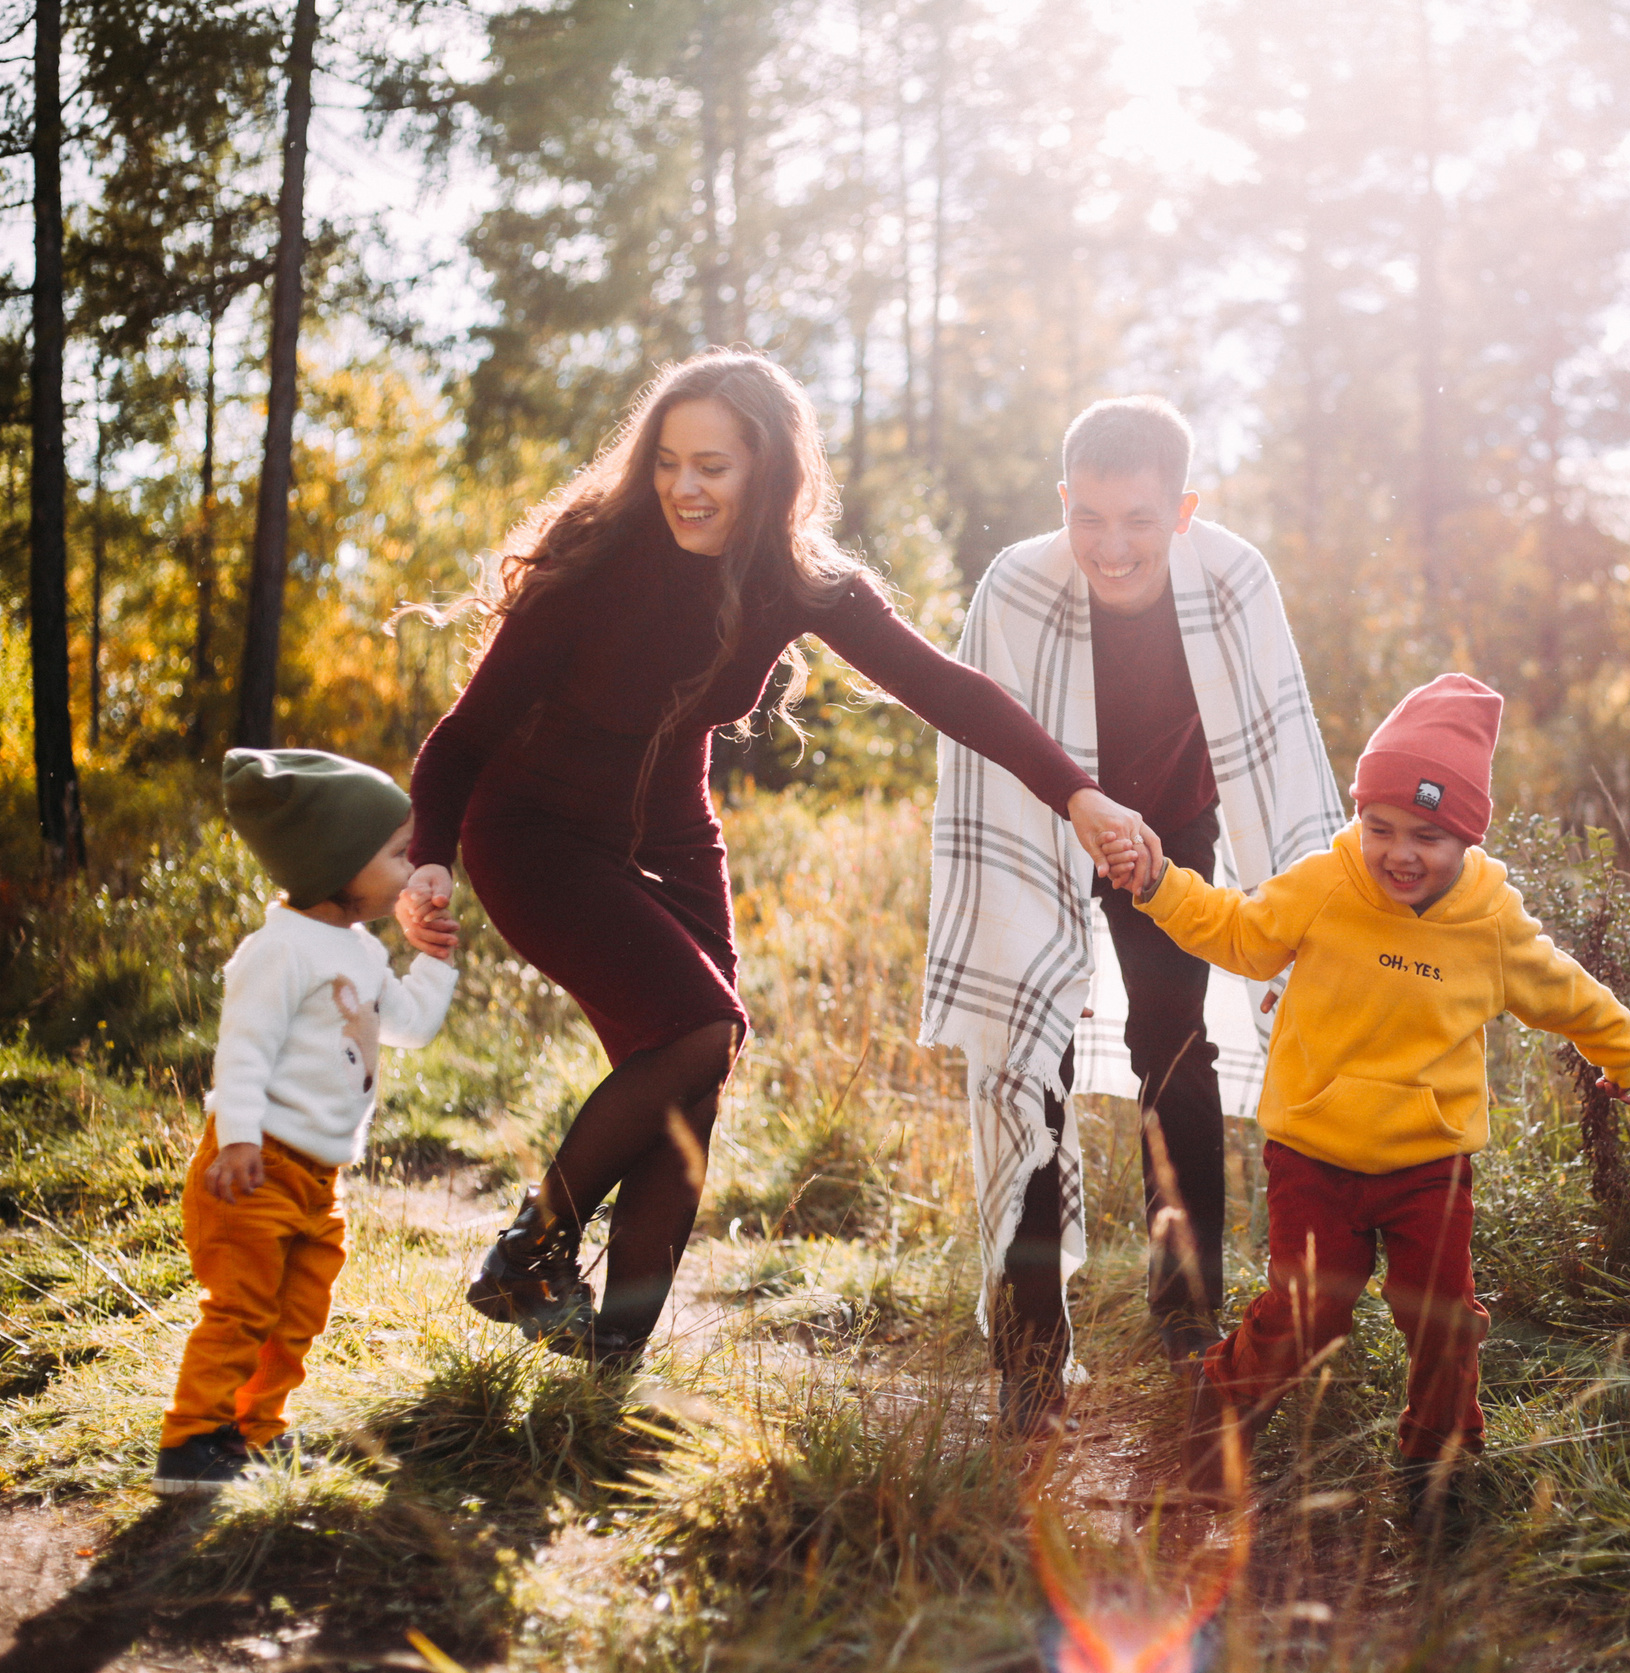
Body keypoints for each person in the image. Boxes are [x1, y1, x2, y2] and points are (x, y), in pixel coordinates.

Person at [397, 350, 1147, 1366]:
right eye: (667, 461)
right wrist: (428, 863)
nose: (683, 486)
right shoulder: (596, 554)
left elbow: (949, 691)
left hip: (670, 836)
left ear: (769, 472)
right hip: (531, 829)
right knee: (701, 1025)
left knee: (688, 1075)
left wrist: (1077, 792)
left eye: (712, 465)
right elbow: (462, 734)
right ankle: (530, 1251)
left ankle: (614, 1351)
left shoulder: (801, 581)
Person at [1115, 674, 1630, 1527]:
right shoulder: (1327, 884)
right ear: (1359, 819)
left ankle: (1435, 1470)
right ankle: (1220, 1413)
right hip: (1313, 1153)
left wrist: (1621, 1050)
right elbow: (1242, 933)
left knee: (1443, 1322)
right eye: (1381, 827)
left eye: (1428, 835)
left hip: (1427, 1165)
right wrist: (1158, 886)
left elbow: (1568, 994)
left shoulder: (1491, 925)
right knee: (1306, 1312)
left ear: (1468, 837)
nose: (1400, 853)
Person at [922, 397, 1345, 1436]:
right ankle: (1029, 1343)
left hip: (1175, 843)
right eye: (1090, 517)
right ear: (1063, 501)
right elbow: (983, 750)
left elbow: (1278, 741)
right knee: (1032, 1055)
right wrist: (1077, 819)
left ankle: (1186, 1309)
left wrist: (1315, 912)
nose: (1112, 547)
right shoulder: (1017, 584)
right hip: (1044, 826)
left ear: (1184, 510)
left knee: (1174, 1054)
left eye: (1139, 521)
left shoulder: (1234, 577)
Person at [154, 749, 460, 1495]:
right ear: (338, 862)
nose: (409, 866)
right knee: (242, 1307)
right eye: (395, 852)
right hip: (257, 1163)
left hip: (320, 1178)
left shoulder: (358, 949)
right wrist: (236, 1140)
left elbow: (411, 1025)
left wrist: (433, 959)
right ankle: (192, 1442)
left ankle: (254, 1433)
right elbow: (245, 1051)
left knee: (297, 1313)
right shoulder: (280, 949)